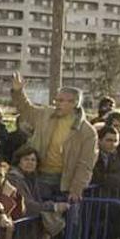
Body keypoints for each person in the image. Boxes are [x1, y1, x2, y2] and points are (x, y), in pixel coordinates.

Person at [11, 72, 98, 202]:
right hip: (39, 176)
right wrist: (18, 91)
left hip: (65, 183)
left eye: (61, 101)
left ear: (75, 103)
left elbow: (85, 164)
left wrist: (76, 189)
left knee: (65, 220)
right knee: (39, 216)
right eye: (56, 100)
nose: (57, 103)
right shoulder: (45, 114)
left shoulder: (87, 131)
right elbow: (26, 109)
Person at [9, 146, 70, 216]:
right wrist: (54, 207)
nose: (30, 163)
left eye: (33, 160)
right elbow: (27, 204)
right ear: (18, 162)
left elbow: (42, 196)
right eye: (26, 159)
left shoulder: (33, 177)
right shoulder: (14, 179)